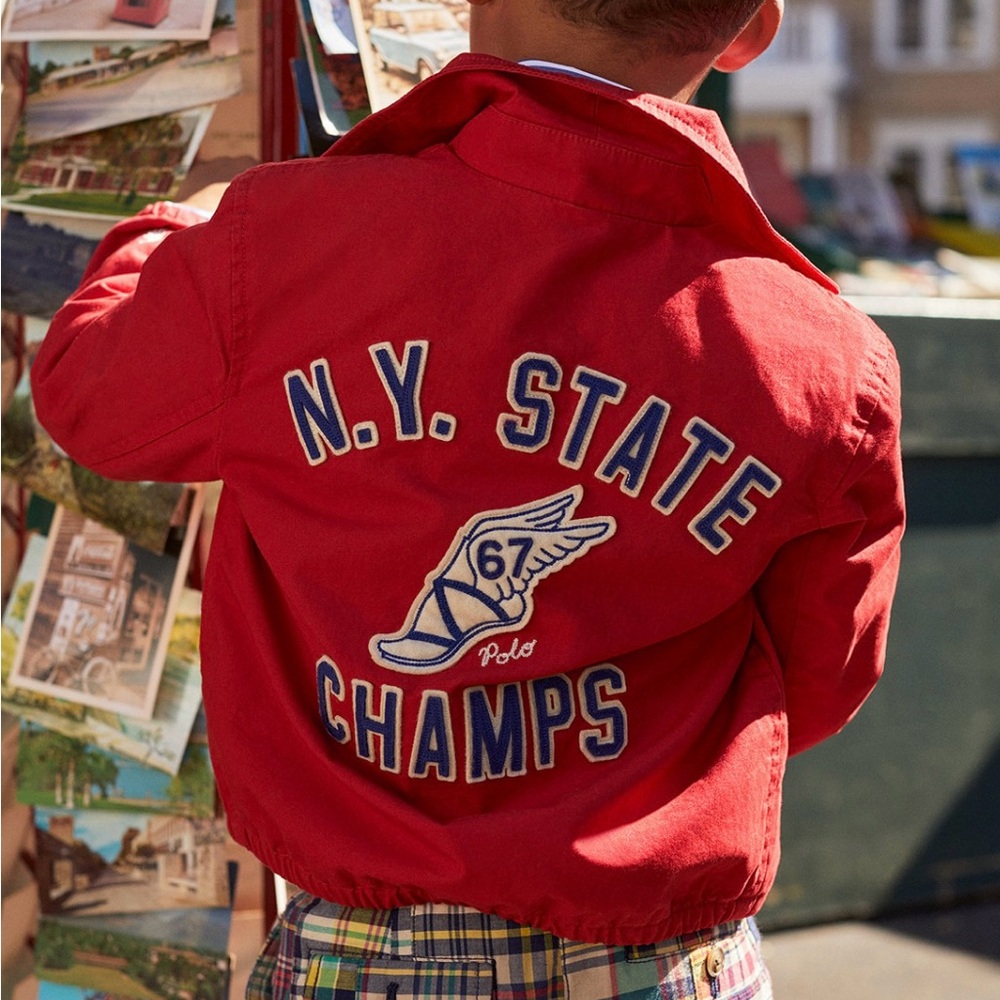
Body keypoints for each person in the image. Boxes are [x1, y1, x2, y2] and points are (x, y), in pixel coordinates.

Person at [31, 0, 906, 997]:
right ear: (753, 28)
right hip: (667, 966)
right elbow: (819, 680)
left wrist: (181, 224)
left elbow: (81, 389)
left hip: (358, 959)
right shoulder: (824, 359)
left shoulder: (280, 243)